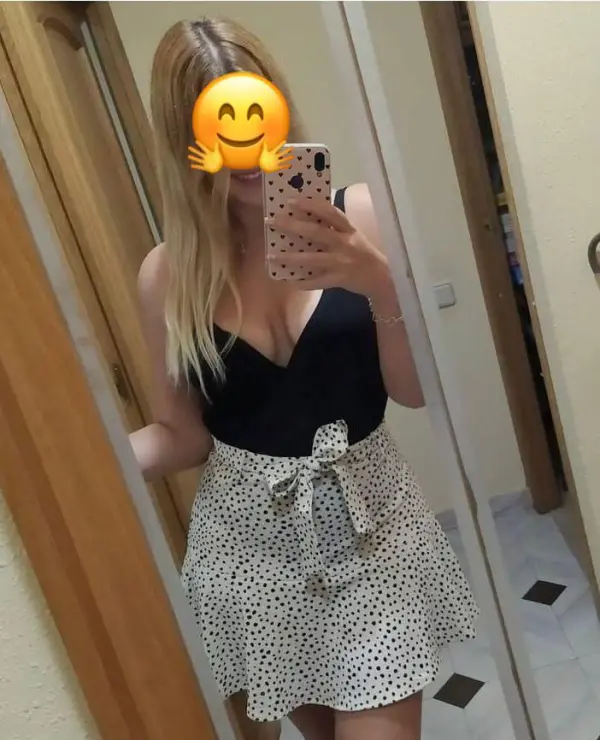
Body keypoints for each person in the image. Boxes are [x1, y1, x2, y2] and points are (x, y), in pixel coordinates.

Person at [130, 17, 479, 740]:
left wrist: (379, 284)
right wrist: (87, 462)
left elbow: (413, 392)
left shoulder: (359, 216)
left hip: (373, 532)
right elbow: (181, 436)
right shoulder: (168, 276)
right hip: (250, 554)